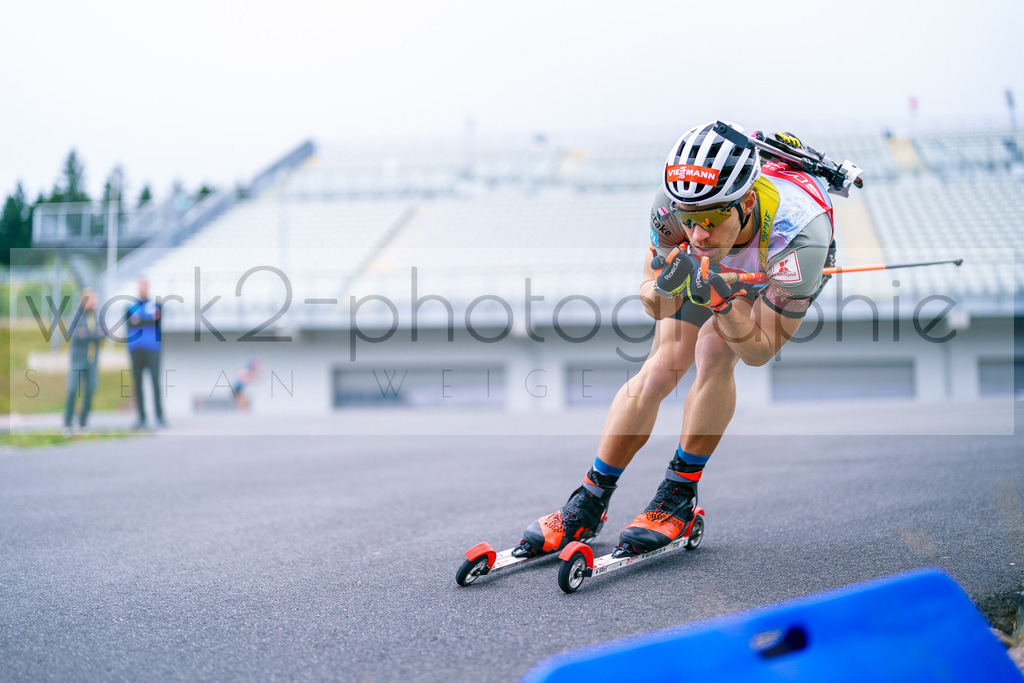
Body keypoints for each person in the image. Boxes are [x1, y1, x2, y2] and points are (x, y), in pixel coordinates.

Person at [516, 121, 838, 558]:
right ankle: (589, 499)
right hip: (724, 264)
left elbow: (761, 349)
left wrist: (722, 304)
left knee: (715, 349)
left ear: (744, 201)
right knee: (663, 363)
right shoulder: (672, 205)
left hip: (774, 260)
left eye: (711, 220)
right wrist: (669, 284)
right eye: (690, 222)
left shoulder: (803, 236)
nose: (699, 235)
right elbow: (651, 299)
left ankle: (678, 496)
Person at [62, 289, 103, 436]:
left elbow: (102, 334)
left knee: (90, 390)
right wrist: (93, 334)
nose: (94, 303)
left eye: (95, 300)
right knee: (73, 390)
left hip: (92, 361)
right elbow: (75, 335)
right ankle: (67, 424)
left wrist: (88, 333)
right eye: (91, 300)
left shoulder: (97, 317)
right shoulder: (76, 316)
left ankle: (83, 423)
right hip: (78, 360)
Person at [126, 277, 165, 430]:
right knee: (138, 384)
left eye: (145, 286)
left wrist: (140, 320)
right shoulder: (130, 307)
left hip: (152, 348)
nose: (142, 289)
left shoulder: (156, 305)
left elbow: (157, 322)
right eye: (140, 286)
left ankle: (159, 416)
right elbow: (130, 323)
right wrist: (148, 319)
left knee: (155, 382)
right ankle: (141, 418)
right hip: (136, 349)